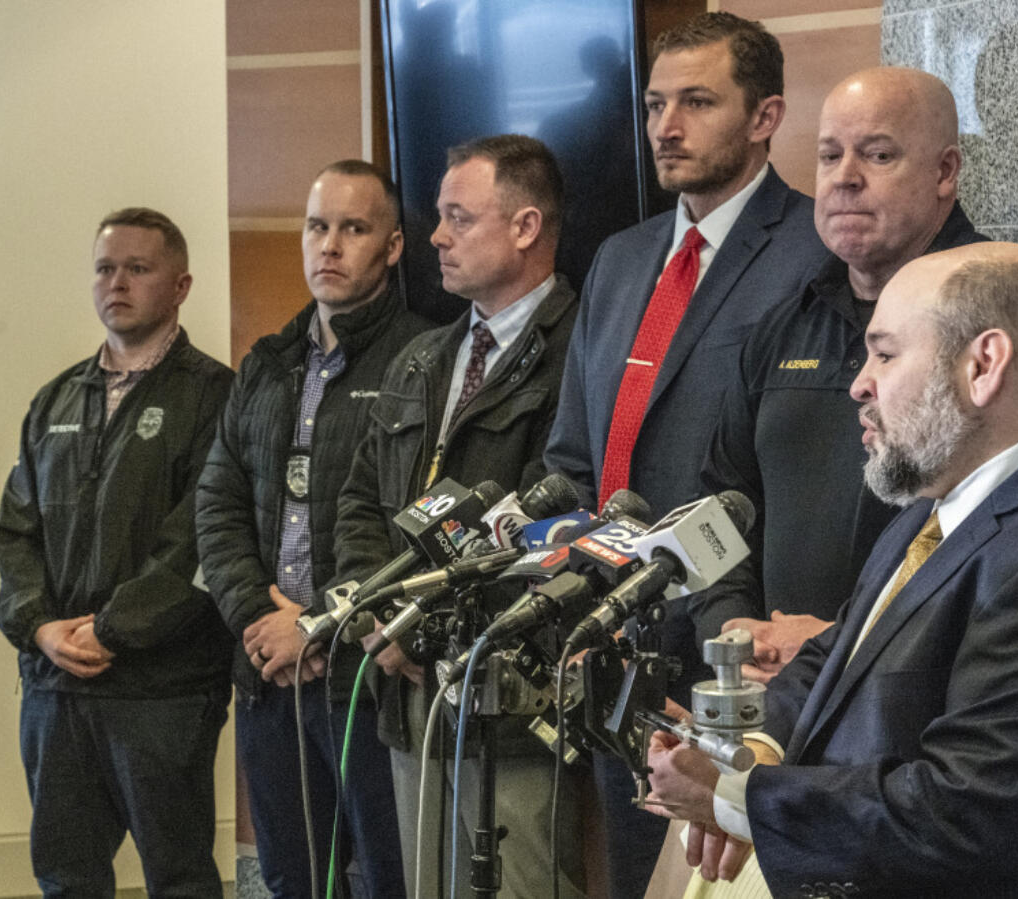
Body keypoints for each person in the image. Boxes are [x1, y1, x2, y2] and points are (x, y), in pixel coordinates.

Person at [645, 242, 1018, 897]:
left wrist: (738, 795)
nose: (859, 382)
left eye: (886, 352)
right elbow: (838, 656)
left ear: (983, 365)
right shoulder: (945, 496)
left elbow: (959, 813)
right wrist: (747, 743)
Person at [542, 12, 827, 894]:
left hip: (740, 663)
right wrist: (569, 587)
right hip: (615, 657)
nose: (666, 126)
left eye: (698, 102)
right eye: (658, 103)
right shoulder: (620, 260)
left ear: (766, 116)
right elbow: (574, 459)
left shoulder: (817, 250)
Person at [334, 134, 582, 898]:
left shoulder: (583, 351)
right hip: (410, 705)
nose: (436, 237)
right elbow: (357, 503)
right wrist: (381, 613)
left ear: (526, 227)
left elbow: (563, 516)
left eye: (457, 218)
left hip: (512, 711)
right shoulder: (421, 356)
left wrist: (435, 625)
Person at [692, 67, 986, 685]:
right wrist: (735, 629)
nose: (845, 177)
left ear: (944, 172)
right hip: (773, 696)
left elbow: (1007, 541)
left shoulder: (999, 326)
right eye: (830, 155)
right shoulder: (783, 326)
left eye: (878, 155)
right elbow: (719, 507)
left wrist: (838, 643)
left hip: (915, 700)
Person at [196, 161, 427, 897]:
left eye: (353, 228)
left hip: (364, 678)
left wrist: (321, 625)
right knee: (295, 878)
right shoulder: (266, 362)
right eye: (316, 226)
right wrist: (258, 618)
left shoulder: (425, 358)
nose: (328, 245)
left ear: (391, 247)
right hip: (269, 676)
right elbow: (218, 502)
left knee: (388, 876)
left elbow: (411, 526)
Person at [0, 208, 234, 896]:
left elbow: (202, 540)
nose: (116, 283)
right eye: (104, 267)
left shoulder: (216, 397)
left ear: (180, 285)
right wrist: (39, 625)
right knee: (66, 877)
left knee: (179, 876)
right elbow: (14, 532)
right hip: (54, 686)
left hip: (161, 689)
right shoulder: (54, 400)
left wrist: (110, 628)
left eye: (137, 267)